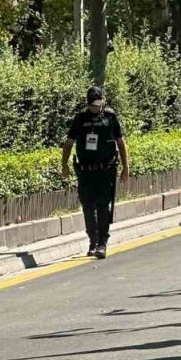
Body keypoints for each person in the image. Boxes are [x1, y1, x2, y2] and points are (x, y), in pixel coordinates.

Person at [61, 85, 129, 259]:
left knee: (103, 206)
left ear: (103, 101)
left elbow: (121, 143)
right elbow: (69, 143)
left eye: (98, 105)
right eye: (92, 105)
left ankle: (102, 243)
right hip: (85, 171)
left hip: (106, 170)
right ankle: (93, 241)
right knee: (88, 206)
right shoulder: (80, 119)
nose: (95, 108)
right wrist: (65, 165)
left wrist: (125, 169)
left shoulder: (110, 117)